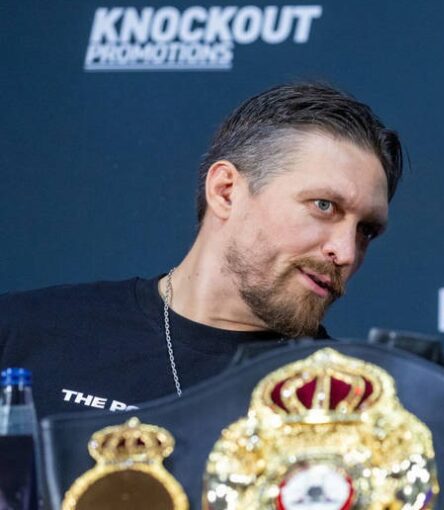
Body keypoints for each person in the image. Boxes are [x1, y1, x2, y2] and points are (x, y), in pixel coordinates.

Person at [0, 83, 402, 418]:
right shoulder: (24, 332)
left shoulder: (356, 407)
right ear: (226, 192)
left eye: (366, 230)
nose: (346, 253)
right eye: (324, 206)